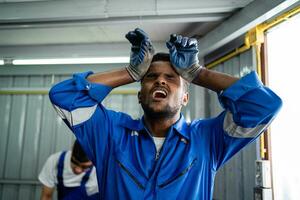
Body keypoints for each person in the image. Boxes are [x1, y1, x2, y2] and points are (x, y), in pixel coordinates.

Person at [48, 28, 282, 200]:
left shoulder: (207, 139)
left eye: (171, 78)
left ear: (185, 98)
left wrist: (196, 72)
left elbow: (264, 105)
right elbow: (64, 97)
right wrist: (129, 72)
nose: (160, 79)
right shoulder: (110, 133)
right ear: (140, 95)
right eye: (150, 76)